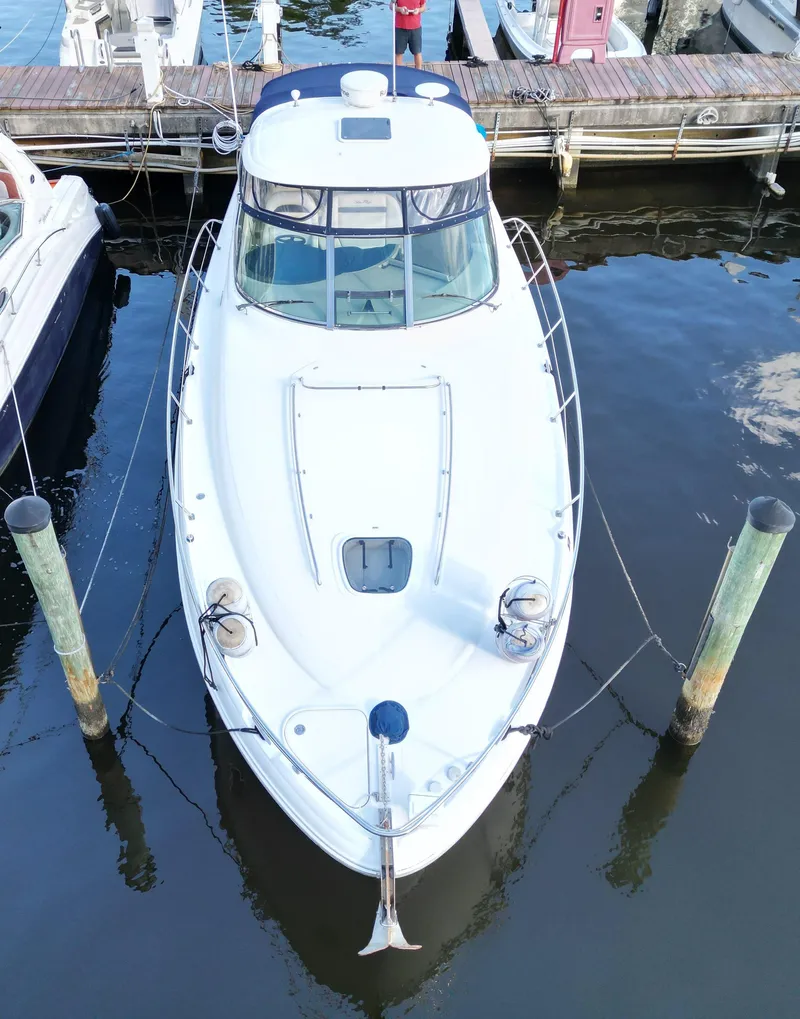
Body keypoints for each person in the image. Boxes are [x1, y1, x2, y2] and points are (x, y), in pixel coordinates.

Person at [391, 0, 426, 70]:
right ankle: (398, 72)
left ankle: (419, 72)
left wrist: (418, 10)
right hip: (400, 27)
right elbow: (391, 6)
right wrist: (400, 9)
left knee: (417, 52)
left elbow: (424, 7)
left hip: (415, 27)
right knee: (398, 52)